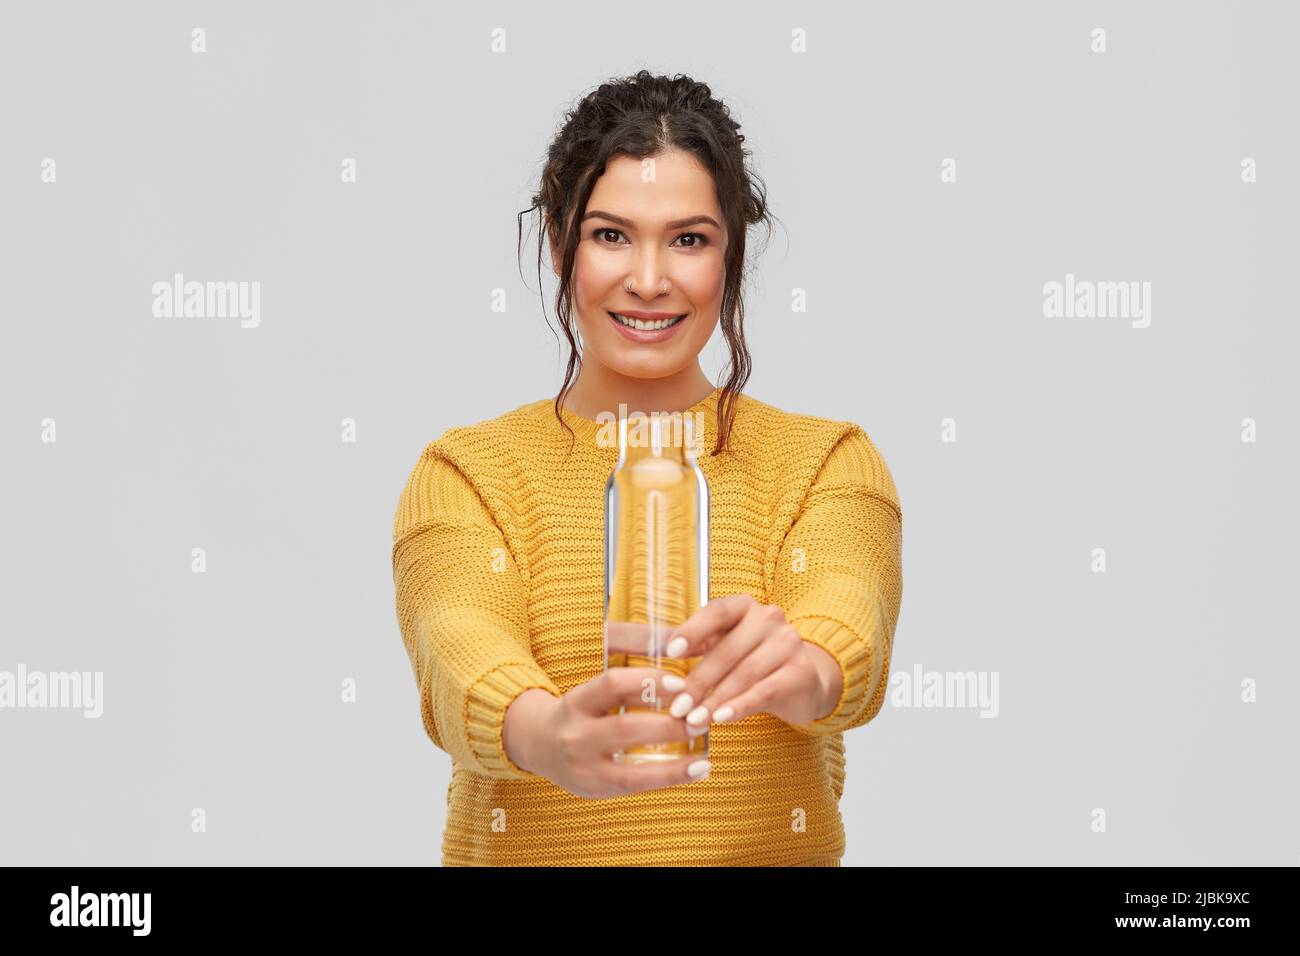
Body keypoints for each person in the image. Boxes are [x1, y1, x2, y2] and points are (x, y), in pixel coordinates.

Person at [391, 70, 902, 866]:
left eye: (689, 239)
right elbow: (460, 649)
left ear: (731, 255)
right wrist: (544, 733)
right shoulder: (467, 472)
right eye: (611, 235)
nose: (650, 279)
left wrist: (804, 668)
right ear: (562, 245)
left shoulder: (826, 462)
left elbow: (848, 613)